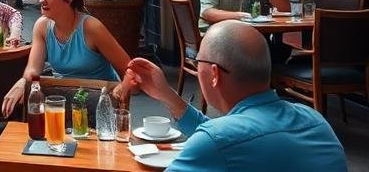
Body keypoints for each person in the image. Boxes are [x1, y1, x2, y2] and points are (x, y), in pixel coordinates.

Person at [122, 20, 346, 172]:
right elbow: (231, 137)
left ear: (214, 74)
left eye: (198, 61)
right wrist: (167, 96)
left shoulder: (216, 142)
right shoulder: (315, 120)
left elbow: (222, 140)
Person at [1, 0, 130, 117]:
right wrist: (22, 82)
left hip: (99, 104)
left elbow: (128, 68)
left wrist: (123, 90)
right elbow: (33, 69)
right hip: (65, 100)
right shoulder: (42, 27)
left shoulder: (92, 28)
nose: (41, 0)